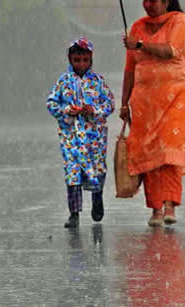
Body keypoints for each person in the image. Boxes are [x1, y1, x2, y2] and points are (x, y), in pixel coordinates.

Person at [119, 0, 185, 227]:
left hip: (176, 98)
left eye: (153, 0)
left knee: (169, 152)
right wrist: (124, 103)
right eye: (144, 0)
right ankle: (155, 209)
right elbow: (130, 70)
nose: (147, 5)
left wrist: (139, 45)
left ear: (166, 0)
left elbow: (172, 50)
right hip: (144, 101)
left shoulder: (180, 21)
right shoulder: (137, 27)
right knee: (148, 153)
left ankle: (170, 205)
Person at [47, 37, 114, 229]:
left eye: (85, 60)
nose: (81, 64)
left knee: (97, 169)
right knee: (73, 172)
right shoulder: (63, 81)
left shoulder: (98, 81)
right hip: (71, 137)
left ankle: (97, 198)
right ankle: (74, 213)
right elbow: (51, 103)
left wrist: (94, 110)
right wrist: (67, 110)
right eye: (77, 60)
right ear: (70, 59)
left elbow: (109, 104)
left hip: (95, 137)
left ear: (91, 59)